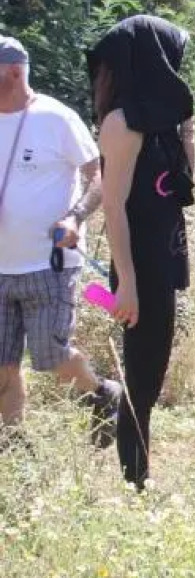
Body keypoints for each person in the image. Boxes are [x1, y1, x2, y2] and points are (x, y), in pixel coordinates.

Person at [86, 16, 195, 489]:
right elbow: (113, 206)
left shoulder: (165, 121)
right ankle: (136, 480)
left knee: (153, 369)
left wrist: (186, 134)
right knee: (143, 375)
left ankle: (138, 472)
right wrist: (125, 282)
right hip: (139, 260)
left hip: (163, 250)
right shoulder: (123, 122)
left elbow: (182, 185)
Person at [0, 34, 122, 437]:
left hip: (49, 262)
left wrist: (75, 217)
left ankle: (103, 393)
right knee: (2, 363)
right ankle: (15, 444)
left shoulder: (55, 117)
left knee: (51, 357)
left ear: (14, 72)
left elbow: (98, 176)